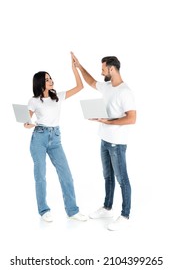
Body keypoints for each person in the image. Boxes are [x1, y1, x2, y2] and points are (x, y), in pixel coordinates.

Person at [71, 52, 136, 231]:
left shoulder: (125, 92)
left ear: (112, 69)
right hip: (104, 140)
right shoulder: (107, 86)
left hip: (117, 143)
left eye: (103, 69)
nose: (101, 73)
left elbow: (132, 118)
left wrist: (110, 121)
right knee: (107, 177)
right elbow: (91, 81)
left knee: (122, 179)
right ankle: (107, 207)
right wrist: (78, 66)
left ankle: (125, 215)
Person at [24, 52, 88, 222]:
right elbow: (26, 121)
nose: (50, 80)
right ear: (40, 83)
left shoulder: (57, 96)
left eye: (50, 78)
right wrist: (28, 123)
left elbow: (80, 86)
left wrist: (74, 68)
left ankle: (72, 210)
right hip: (39, 138)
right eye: (47, 79)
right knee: (41, 176)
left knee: (66, 174)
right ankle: (44, 210)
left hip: (56, 138)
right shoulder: (34, 101)